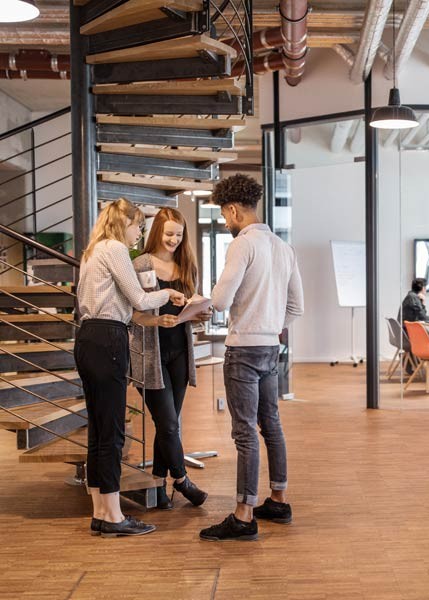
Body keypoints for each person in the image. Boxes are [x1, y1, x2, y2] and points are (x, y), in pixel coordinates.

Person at [200, 174, 304, 542]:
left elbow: (221, 300)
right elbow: (297, 306)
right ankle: (278, 499)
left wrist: (206, 307)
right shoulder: (282, 247)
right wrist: (272, 326)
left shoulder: (243, 245)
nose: (225, 223)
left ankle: (243, 516)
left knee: (244, 432)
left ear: (232, 209)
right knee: (270, 424)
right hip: (270, 348)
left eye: (224, 216)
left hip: (243, 349)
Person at [75, 198, 185, 537]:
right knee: (112, 431)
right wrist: (170, 295)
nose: (140, 233)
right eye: (138, 225)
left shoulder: (93, 250)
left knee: (98, 428)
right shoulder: (116, 249)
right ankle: (113, 518)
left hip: (88, 337)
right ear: (126, 223)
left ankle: (101, 509)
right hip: (109, 337)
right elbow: (139, 300)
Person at [130, 208, 210, 509]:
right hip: (149, 353)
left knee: (169, 424)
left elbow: (191, 308)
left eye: (179, 234)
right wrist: (154, 320)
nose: (174, 240)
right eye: (168, 234)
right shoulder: (140, 264)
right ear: (156, 233)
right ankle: (182, 480)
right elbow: (131, 312)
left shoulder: (186, 264)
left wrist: (201, 312)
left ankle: (159, 486)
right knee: (168, 422)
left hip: (179, 351)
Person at [400, 278, 429, 373]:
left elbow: (420, 315)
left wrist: (422, 302)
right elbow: (423, 317)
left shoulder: (411, 296)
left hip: (404, 331)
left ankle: (413, 362)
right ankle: (422, 363)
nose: (426, 289)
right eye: (425, 287)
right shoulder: (413, 298)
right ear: (422, 288)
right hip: (407, 334)